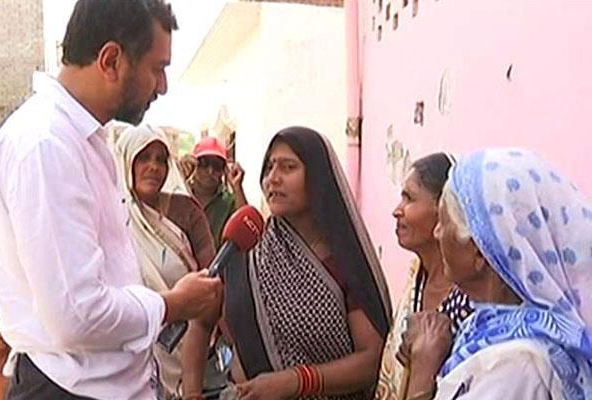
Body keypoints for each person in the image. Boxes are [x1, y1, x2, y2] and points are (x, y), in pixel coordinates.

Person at [0, 1, 222, 399]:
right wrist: (171, 305)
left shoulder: (85, 138)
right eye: (157, 68)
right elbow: (76, 315)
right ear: (111, 60)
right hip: (69, 390)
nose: (163, 86)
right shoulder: (45, 143)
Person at [403, 148, 592, 399]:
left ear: (479, 251)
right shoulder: (487, 326)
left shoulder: (517, 366)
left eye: (444, 223)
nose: (437, 233)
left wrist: (422, 370)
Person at [222, 126, 392, 400]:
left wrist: (296, 381)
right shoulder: (255, 251)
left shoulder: (344, 262)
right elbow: (209, 318)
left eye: (288, 167)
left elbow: (371, 360)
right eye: (269, 167)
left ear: (318, 178)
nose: (273, 178)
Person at [114, 124, 219, 400]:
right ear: (126, 161)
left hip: (186, 348)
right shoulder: (111, 218)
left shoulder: (187, 212)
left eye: (161, 159)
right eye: (144, 158)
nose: (154, 167)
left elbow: (212, 278)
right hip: (128, 351)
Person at [376, 154, 472, 400]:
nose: (397, 211)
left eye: (409, 198)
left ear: (444, 209)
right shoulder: (417, 278)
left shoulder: (469, 299)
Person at [184, 137, 248, 249]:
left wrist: (237, 187)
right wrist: (180, 177)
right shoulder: (182, 196)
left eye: (217, 165)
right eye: (204, 163)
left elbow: (246, 228)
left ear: (224, 170)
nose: (210, 171)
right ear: (194, 164)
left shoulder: (228, 202)